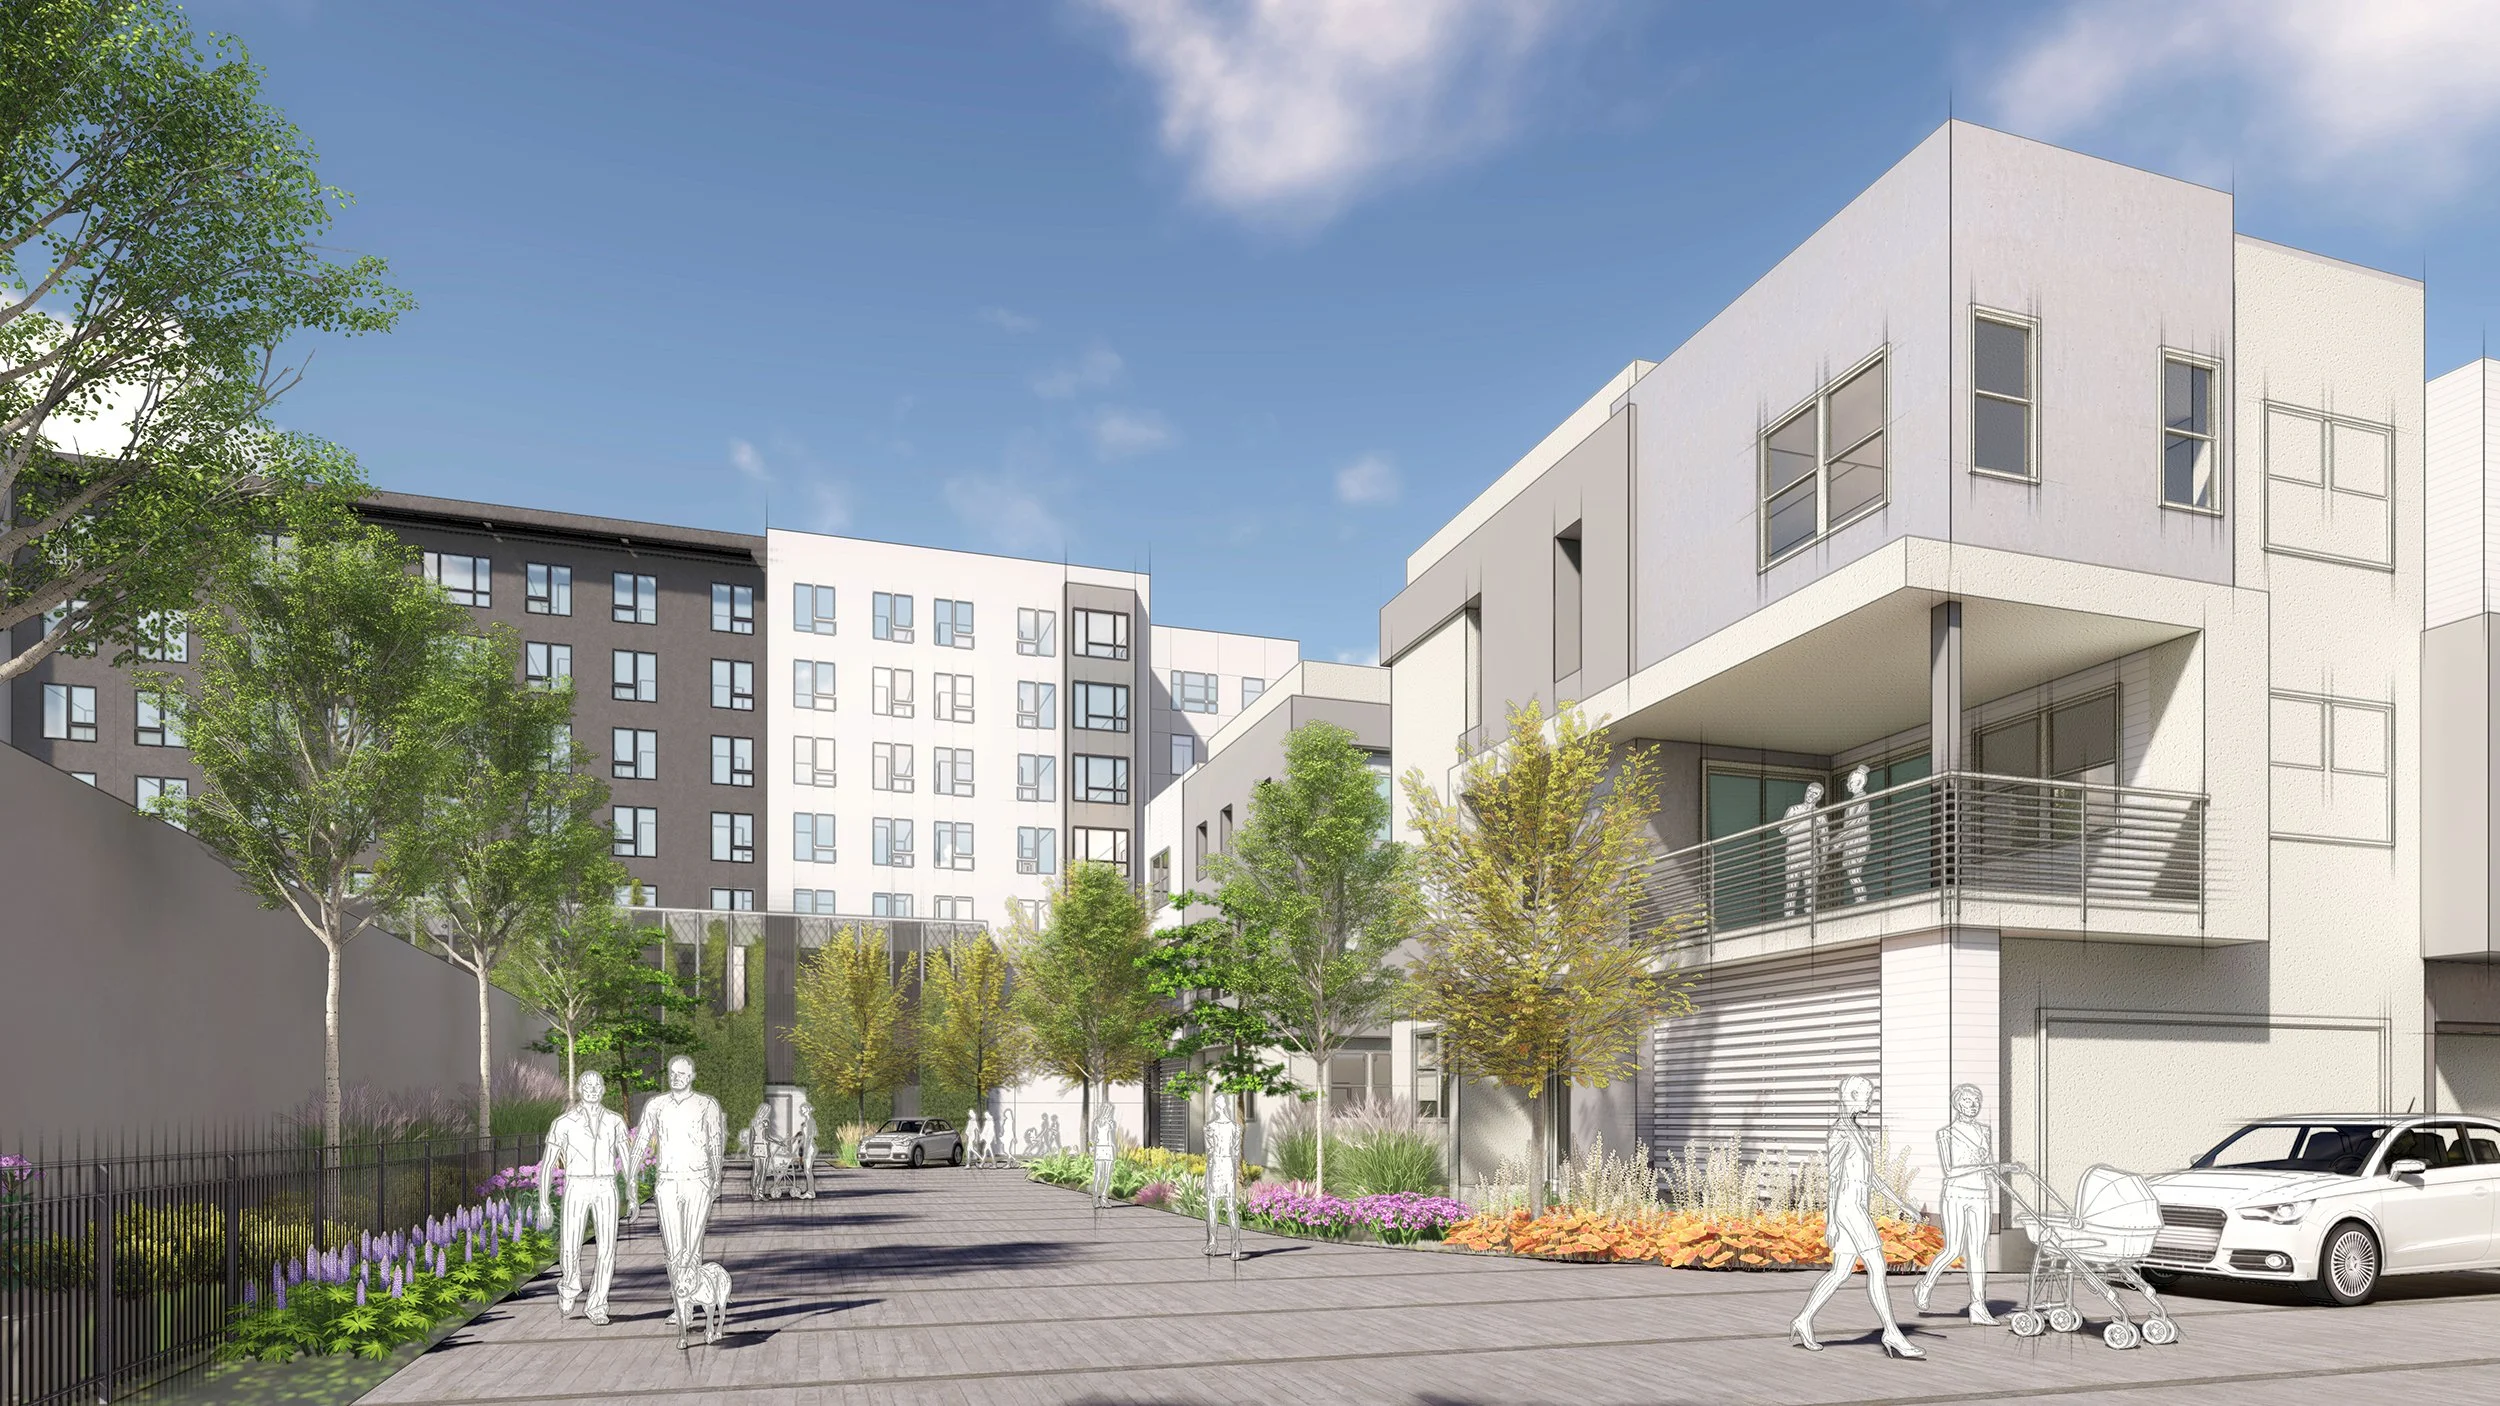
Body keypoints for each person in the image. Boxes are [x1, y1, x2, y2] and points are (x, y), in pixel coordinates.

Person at [1790, 1074, 1925, 1358]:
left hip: (1857, 1206)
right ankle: (1891, 1331)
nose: (1871, 1099)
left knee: (1840, 1272)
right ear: (1852, 1096)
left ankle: (1803, 1320)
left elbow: (1872, 1177)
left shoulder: (1860, 1132)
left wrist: (1904, 1204)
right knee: (1877, 1265)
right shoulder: (1839, 1133)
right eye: (1867, 1094)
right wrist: (1831, 1221)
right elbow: (1834, 1178)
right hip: (1848, 1207)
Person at [631, 1055, 725, 1335]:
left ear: (692, 1075)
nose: (676, 1078)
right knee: (672, 1250)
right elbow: (641, 1142)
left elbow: (716, 1141)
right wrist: (632, 1181)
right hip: (668, 1182)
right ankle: (680, 1305)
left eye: (682, 1074)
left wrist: (716, 1179)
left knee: (693, 1249)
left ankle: (691, 1304)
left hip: (698, 1180)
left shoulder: (707, 1105)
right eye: (672, 1073)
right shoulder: (656, 1106)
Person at [539, 1070, 631, 1324]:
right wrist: (544, 1201)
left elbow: (627, 1158)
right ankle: (569, 1285)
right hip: (576, 1186)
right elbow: (547, 1164)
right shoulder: (564, 1122)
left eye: (597, 1085)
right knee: (570, 1243)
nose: (592, 1089)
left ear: (603, 1090)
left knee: (607, 1248)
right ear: (580, 1089)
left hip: (606, 1186)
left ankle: (598, 1305)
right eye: (587, 1085)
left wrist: (632, 1191)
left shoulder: (614, 1121)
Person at [1916, 1084, 2002, 1324]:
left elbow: (1990, 1166)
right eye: (1967, 1100)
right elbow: (1950, 1170)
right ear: (1956, 1103)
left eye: (1976, 1100)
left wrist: (2001, 1170)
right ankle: (1925, 1284)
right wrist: (1979, 1166)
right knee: (1953, 1248)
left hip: (1981, 1194)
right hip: (1955, 1194)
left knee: (1978, 1251)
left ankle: (1978, 1305)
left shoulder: (1985, 1131)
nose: (1972, 1105)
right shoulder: (1947, 1133)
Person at [1203, 1099, 1245, 1259]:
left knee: (1212, 1206)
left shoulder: (1210, 1127)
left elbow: (1210, 1153)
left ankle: (1213, 1242)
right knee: (1231, 1207)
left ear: (1216, 1106)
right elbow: (1236, 1153)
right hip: (1228, 1166)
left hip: (1216, 1166)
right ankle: (1235, 1243)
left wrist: (1208, 1174)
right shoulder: (1235, 1127)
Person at [1781, 782, 1828, 917]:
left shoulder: (1820, 815)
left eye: (1815, 793)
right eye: (1809, 791)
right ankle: (1788, 918)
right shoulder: (1793, 810)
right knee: (1791, 888)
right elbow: (1782, 829)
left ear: (1819, 798)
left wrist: (1823, 859)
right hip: (1793, 855)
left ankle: (1809, 917)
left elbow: (1824, 839)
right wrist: (1798, 819)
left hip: (1810, 856)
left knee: (1810, 889)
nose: (1810, 795)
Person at [1837, 765, 1874, 904]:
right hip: (1852, 839)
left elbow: (1853, 823)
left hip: (1857, 839)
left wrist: (1838, 840)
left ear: (1858, 783)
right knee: (1852, 871)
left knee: (1853, 871)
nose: (1848, 785)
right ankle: (1860, 898)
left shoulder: (1861, 800)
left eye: (1850, 782)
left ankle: (1861, 899)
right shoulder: (1854, 801)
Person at [789, 1091, 818, 1199]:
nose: (801, 1111)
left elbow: (809, 1137)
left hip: (809, 1148)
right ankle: (810, 1191)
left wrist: (805, 1150)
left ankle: (810, 1192)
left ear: (807, 1110)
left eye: (802, 1109)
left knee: (807, 1170)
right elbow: (804, 1137)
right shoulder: (808, 1121)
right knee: (807, 1170)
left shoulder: (809, 1121)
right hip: (809, 1147)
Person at [1089, 1103, 1118, 1208]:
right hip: (1100, 1148)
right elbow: (1093, 1137)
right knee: (1098, 1175)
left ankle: (1104, 1199)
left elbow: (1113, 1139)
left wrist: (1114, 1151)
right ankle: (1095, 1199)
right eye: (1109, 1110)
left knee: (1107, 1175)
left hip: (1108, 1149)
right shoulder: (1096, 1122)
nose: (1110, 1112)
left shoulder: (1111, 1123)